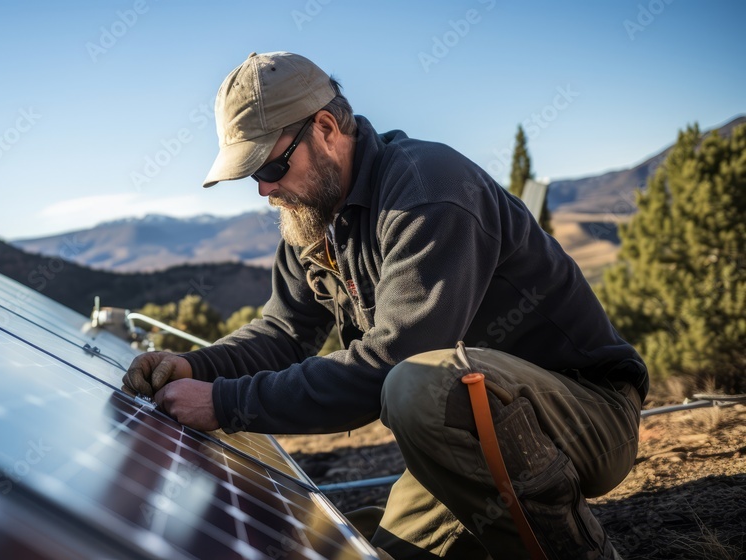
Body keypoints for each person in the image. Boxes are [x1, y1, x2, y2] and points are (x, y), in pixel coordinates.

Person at [122, 51, 647, 560]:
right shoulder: (312, 218)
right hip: (478, 420)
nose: (264, 189)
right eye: (251, 175)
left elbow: (391, 366)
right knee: (376, 553)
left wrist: (224, 404)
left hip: (587, 415)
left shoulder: (426, 192)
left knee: (415, 384)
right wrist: (196, 366)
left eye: (272, 164)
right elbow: (283, 332)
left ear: (326, 127)